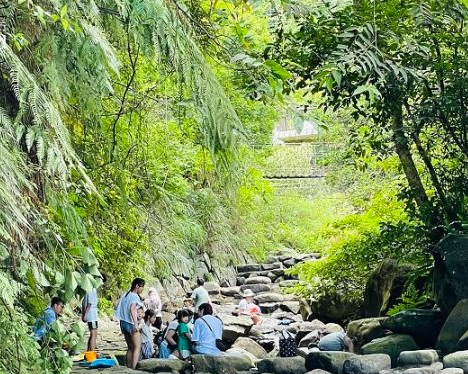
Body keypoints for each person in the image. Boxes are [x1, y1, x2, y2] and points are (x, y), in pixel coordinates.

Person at [115, 277, 145, 369]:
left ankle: (128, 367)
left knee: (130, 347)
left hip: (123, 323)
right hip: (130, 323)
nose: (142, 289)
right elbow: (132, 309)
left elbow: (116, 304)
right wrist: (136, 323)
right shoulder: (134, 296)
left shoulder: (126, 294)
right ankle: (134, 367)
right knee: (137, 346)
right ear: (137, 286)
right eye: (142, 287)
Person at [82, 287, 99, 352]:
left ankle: (89, 352)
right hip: (92, 314)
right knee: (94, 333)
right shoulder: (92, 289)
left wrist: (84, 314)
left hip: (89, 314)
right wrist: (85, 315)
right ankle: (92, 352)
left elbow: (83, 302)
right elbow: (90, 303)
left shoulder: (87, 288)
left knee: (92, 334)